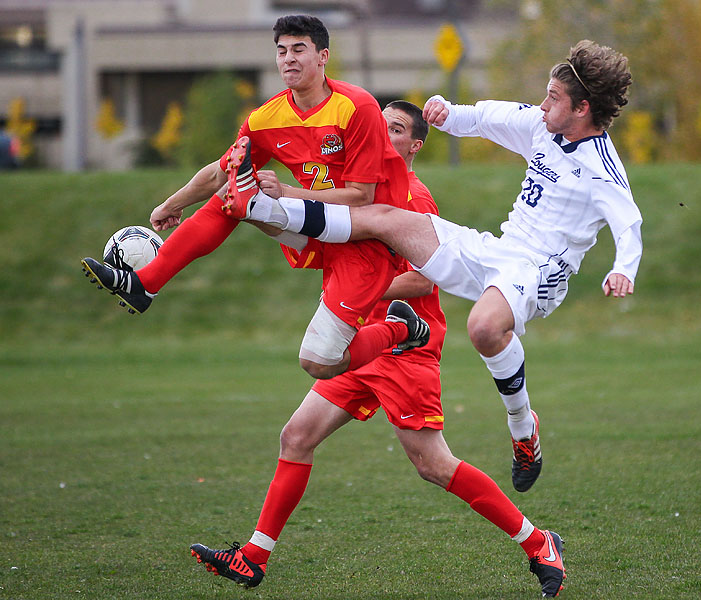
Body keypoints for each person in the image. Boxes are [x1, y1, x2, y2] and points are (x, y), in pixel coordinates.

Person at [220, 40, 643, 493]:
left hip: (540, 272)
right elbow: (484, 117)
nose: (542, 105)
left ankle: (523, 428)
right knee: (386, 219)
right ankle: (266, 207)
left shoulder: (602, 170)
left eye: (553, 98)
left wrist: (624, 268)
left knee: (483, 328)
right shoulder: (543, 126)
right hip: (497, 251)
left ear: (581, 108)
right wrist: (446, 111)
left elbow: (629, 223)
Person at [189, 101, 567, 598]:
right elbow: (312, 246)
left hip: (406, 343)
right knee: (296, 437)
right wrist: (257, 210)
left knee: (433, 465)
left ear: (414, 146)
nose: (379, 134)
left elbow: (418, 279)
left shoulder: (414, 199)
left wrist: (363, 290)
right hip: (360, 341)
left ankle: (539, 542)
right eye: (376, 125)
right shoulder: (354, 193)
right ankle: (253, 558)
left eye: (394, 129)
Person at [80, 15, 428, 380]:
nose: (288, 59)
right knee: (236, 189)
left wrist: (287, 192)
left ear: (323, 56)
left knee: (319, 362)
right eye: (281, 51)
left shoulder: (357, 107)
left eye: (299, 49)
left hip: (369, 240)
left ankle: (401, 328)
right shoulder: (267, 117)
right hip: (320, 230)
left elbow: (362, 198)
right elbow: (219, 170)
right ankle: (145, 283)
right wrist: (173, 203)